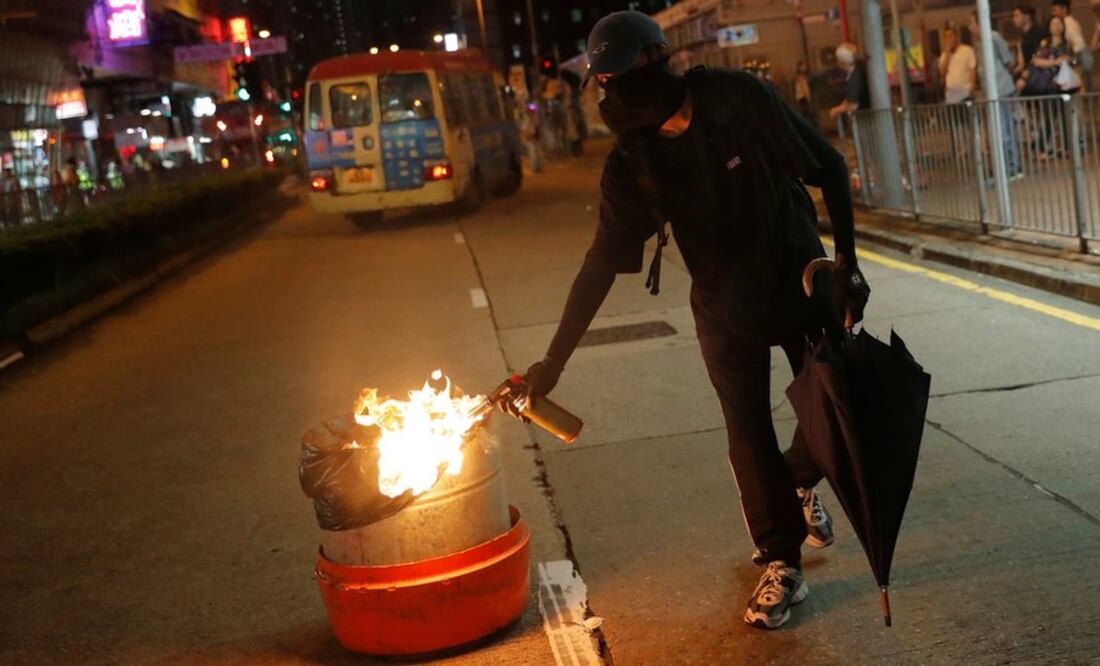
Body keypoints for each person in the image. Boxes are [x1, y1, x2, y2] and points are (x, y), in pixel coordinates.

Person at [509, 11, 870, 630]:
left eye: (622, 75)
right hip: (725, 305)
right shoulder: (632, 161)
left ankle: (794, 481)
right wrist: (552, 364)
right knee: (747, 432)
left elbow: (828, 167)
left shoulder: (737, 98)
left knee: (837, 406)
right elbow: (599, 266)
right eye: (604, 82)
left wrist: (849, 266)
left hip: (799, 280)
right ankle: (781, 562)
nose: (614, 93)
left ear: (658, 59)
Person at [968, 12, 1023, 178]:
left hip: (1001, 88)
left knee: (1005, 128)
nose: (970, 28)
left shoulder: (994, 37)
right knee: (997, 130)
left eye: (972, 23)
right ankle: (1004, 164)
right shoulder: (978, 43)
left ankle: (1013, 165)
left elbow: (1008, 60)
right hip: (991, 91)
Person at [1050, 0, 1092, 90]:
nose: (1053, 13)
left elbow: (1078, 43)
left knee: (1081, 84)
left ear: (1064, 9)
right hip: (1080, 55)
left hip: (1079, 56)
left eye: (1055, 10)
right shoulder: (1071, 21)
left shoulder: (1068, 22)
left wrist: (1070, 51)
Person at [828, 42, 869, 123]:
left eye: (838, 59)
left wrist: (835, 111)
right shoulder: (859, 69)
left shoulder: (855, 75)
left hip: (866, 120)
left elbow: (853, 105)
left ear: (842, 62)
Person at [938, 27, 978, 103]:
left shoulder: (967, 50)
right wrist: (947, 54)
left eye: (951, 36)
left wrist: (972, 88)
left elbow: (973, 70)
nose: (949, 39)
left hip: (966, 92)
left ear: (956, 37)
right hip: (952, 94)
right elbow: (942, 73)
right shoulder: (944, 56)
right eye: (946, 37)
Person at [1012, 4, 1046, 79]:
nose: (1014, 19)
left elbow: (1037, 56)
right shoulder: (1023, 36)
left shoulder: (1038, 33)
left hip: (1036, 73)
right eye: (1013, 16)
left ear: (1027, 17)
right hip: (1025, 71)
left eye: (1017, 16)